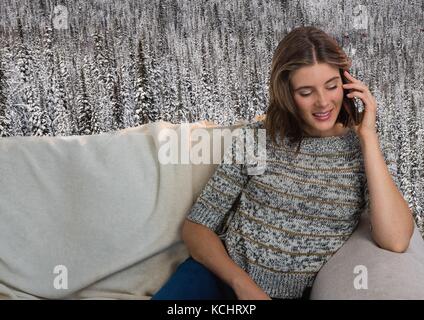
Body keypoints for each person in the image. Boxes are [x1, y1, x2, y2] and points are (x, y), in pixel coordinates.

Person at [151, 26, 414, 300]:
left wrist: (368, 137)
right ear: (287, 93)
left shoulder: (359, 151)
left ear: (346, 83)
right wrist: (243, 286)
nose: (323, 102)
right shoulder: (257, 139)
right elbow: (197, 227)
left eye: (331, 86)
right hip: (217, 279)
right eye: (305, 92)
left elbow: (395, 239)